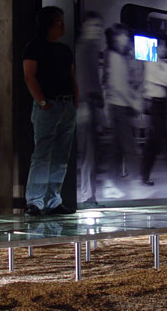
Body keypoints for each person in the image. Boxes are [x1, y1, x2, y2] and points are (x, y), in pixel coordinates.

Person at [23, 6, 78, 216]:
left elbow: (72, 75)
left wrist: (75, 100)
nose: (62, 25)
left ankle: (54, 200)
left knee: (61, 156)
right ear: (48, 24)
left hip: (66, 105)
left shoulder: (64, 49)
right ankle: (35, 201)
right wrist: (43, 102)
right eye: (59, 21)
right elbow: (29, 76)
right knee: (43, 154)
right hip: (49, 106)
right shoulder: (34, 46)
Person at [103, 23, 141, 198]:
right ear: (117, 37)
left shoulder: (117, 57)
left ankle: (109, 184)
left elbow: (123, 84)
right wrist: (133, 103)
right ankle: (136, 184)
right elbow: (118, 87)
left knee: (117, 148)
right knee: (129, 147)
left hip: (118, 106)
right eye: (124, 36)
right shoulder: (116, 58)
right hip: (118, 107)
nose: (127, 39)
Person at [141, 35, 167, 186]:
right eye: (162, 46)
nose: (165, 49)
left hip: (162, 106)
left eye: (166, 47)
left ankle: (144, 175)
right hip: (155, 105)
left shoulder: (163, 64)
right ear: (157, 48)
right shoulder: (151, 63)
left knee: (153, 144)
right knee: (163, 141)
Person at [75, 12, 104, 208]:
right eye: (93, 26)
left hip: (88, 106)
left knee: (88, 154)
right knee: (87, 154)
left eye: (98, 27)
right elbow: (85, 81)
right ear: (84, 28)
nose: (96, 30)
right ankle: (87, 195)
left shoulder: (90, 49)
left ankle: (88, 194)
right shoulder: (83, 50)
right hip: (84, 106)